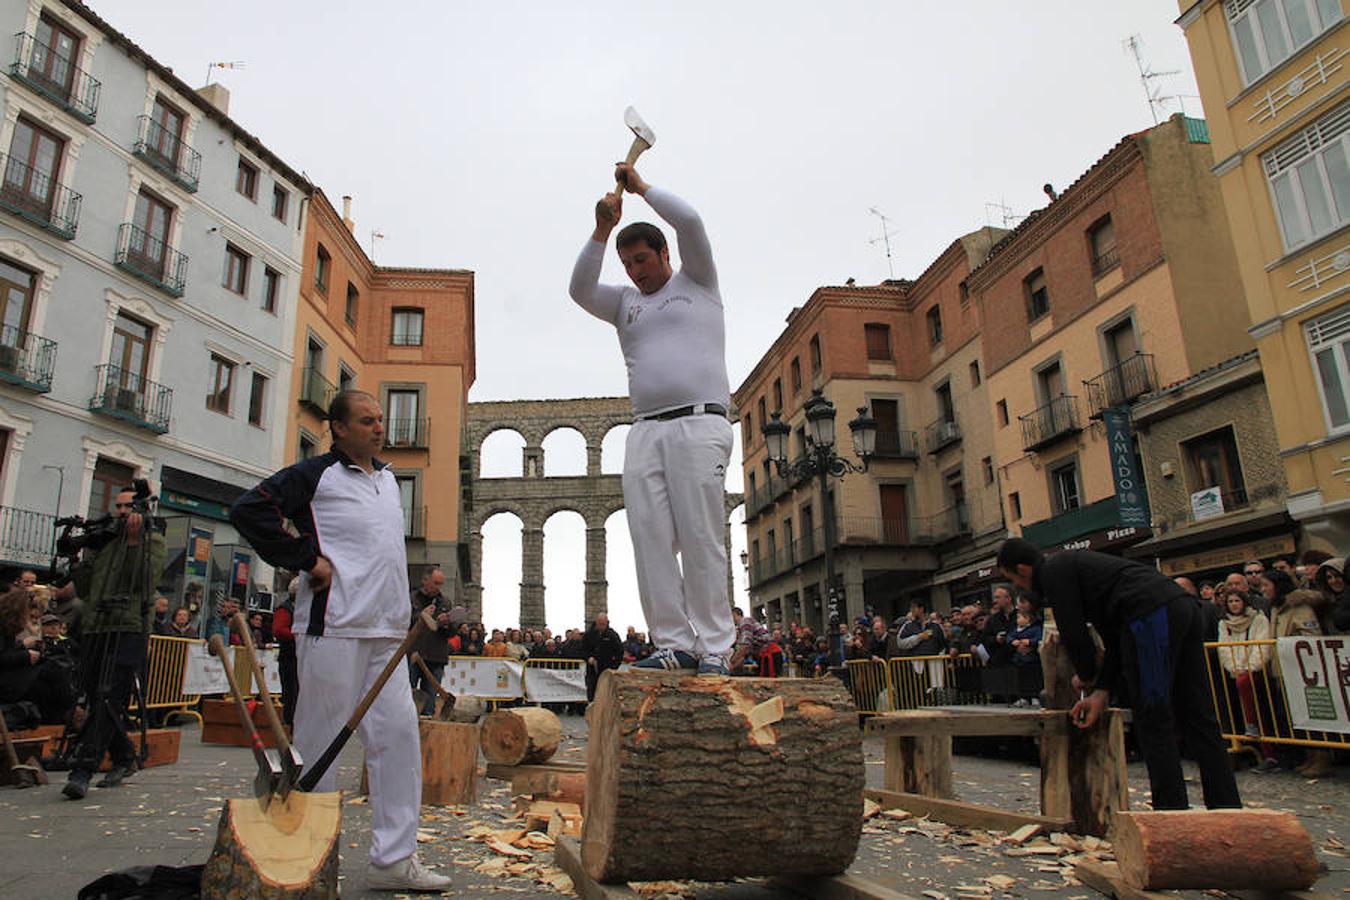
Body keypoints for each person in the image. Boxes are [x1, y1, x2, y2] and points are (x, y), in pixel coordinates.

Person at [229, 390, 449, 892]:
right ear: (340, 428)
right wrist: (306, 560)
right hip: (333, 629)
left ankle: (395, 859)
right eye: (367, 420)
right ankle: (309, 860)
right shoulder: (315, 475)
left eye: (380, 419)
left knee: (398, 741)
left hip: (387, 635)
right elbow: (249, 510)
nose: (379, 427)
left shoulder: (389, 480)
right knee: (318, 744)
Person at [569, 163, 734, 675]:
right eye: (626, 263)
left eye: (641, 259)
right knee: (650, 538)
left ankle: (715, 647)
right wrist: (601, 230)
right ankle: (674, 644)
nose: (635, 271)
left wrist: (640, 189)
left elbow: (691, 222)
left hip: (700, 424)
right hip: (644, 430)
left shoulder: (698, 281)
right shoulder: (624, 303)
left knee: (701, 535)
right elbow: (579, 289)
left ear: (664, 253)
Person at [997, 537, 1240, 811]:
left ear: (1022, 569)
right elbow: (1115, 640)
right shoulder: (1088, 572)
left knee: (1153, 718)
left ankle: (1171, 810)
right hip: (1182, 607)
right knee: (1197, 713)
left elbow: (1074, 633)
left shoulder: (1054, 573)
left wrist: (1086, 675)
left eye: (1012, 579)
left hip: (1150, 614)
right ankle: (1227, 806)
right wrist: (1102, 690)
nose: (1018, 587)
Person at [63, 488, 167, 800]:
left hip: (129, 626)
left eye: (128, 506)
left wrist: (134, 544)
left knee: (110, 696)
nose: (121, 512)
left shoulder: (152, 541)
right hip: (96, 625)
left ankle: (83, 768)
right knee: (96, 696)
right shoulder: (104, 543)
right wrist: (76, 560)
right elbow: (85, 589)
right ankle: (124, 756)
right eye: (118, 506)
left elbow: (145, 582)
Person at [1216, 588, 1277, 773]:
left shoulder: (1258, 619)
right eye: (1230, 602)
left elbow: (1261, 645)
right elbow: (1223, 648)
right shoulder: (1224, 623)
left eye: (1237, 601)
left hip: (1256, 671)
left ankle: (1268, 749)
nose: (1234, 605)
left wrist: (1250, 667)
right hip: (1235, 672)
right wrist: (1232, 667)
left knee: (1262, 711)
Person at [408, 566, 459, 717]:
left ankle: (428, 721)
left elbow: (451, 633)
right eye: (436, 583)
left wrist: (447, 624)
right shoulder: (412, 598)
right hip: (413, 654)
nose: (438, 587)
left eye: (441, 584)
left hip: (436, 657)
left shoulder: (445, 602)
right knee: (407, 693)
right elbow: (401, 622)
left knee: (430, 699)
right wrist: (420, 616)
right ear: (425, 580)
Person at [272, 580, 298, 726]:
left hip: (297, 657)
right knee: (291, 695)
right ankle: (289, 725)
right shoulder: (285, 609)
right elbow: (279, 630)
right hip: (290, 658)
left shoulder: (298, 609)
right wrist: (299, 635)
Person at [582, 614, 623, 702]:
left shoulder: (612, 635)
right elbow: (582, 650)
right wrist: (588, 658)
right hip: (592, 670)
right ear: (596, 622)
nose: (601, 627)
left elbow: (619, 652)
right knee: (592, 693)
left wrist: (614, 667)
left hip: (607, 670)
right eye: (599, 624)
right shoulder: (588, 634)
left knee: (606, 694)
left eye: (603, 624)